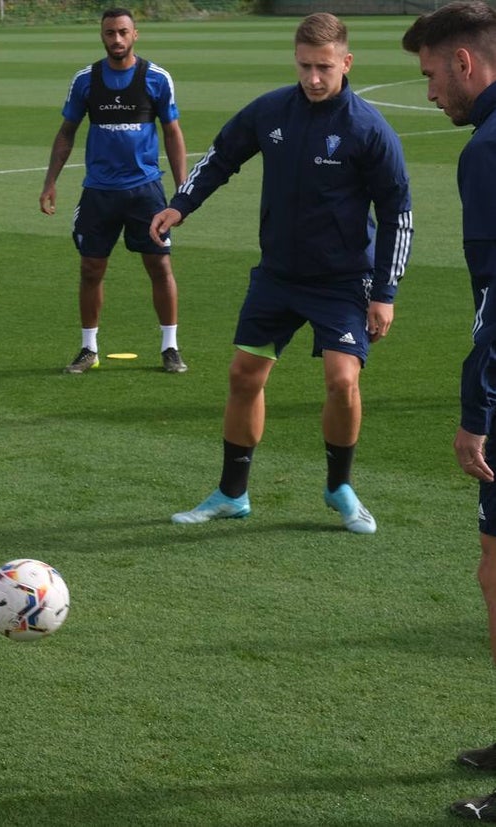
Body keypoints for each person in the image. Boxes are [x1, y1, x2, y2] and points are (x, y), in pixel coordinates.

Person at [152, 12, 413, 534]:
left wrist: (384, 293)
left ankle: (339, 486)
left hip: (343, 281)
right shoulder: (272, 111)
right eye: (304, 66)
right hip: (278, 275)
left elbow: (397, 214)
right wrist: (181, 204)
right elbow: (222, 156)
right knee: (244, 375)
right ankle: (232, 494)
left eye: (324, 67)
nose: (313, 78)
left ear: (346, 62)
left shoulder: (368, 129)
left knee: (342, 380)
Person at [403, 3, 496, 820]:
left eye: (432, 73)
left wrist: (478, 409)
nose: (429, 90)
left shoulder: (489, 151)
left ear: (465, 62)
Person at [40, 7, 189, 375]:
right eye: (110, 33)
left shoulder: (156, 78)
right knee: (91, 269)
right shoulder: (85, 80)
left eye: (123, 32)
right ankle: (88, 348)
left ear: (135, 34)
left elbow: (172, 132)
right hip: (99, 193)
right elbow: (67, 132)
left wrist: (183, 191)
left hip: (145, 192)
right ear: (102, 36)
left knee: (159, 265)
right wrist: (50, 181)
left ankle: (170, 347)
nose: (117, 40)